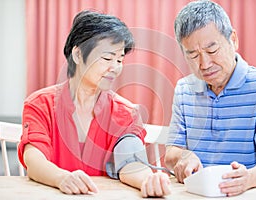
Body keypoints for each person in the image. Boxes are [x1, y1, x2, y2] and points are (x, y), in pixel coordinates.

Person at [18, 10, 171, 197]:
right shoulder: (40, 104)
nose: (115, 68)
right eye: (107, 58)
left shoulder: (126, 113)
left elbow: (130, 162)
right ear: (78, 54)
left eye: (120, 59)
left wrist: (148, 180)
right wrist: (61, 178)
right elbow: (34, 160)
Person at [164, 0, 256, 197]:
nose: (204, 64)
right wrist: (184, 156)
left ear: (233, 39)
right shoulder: (184, 89)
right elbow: (171, 153)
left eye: (212, 50)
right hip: (194, 194)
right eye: (193, 55)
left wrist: (249, 179)